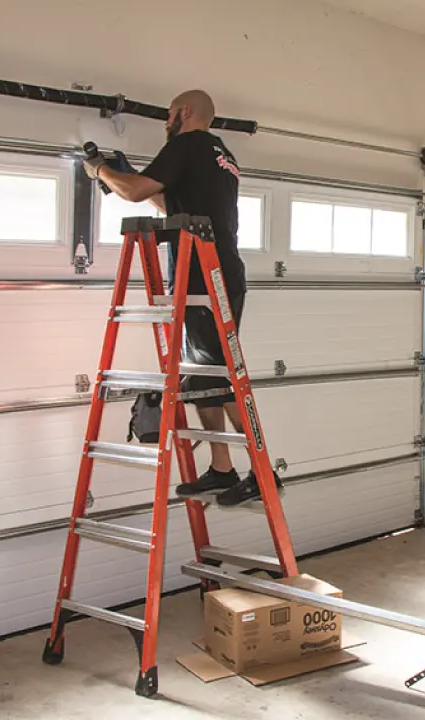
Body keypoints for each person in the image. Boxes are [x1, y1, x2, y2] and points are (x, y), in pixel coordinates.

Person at [83, 89, 275, 507]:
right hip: (209, 272)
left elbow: (134, 194)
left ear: (184, 113)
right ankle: (222, 468)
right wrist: (129, 174)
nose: (165, 122)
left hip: (206, 274)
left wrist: (100, 171)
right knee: (205, 377)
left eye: (169, 114)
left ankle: (263, 473)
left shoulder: (187, 143)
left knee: (218, 375)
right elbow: (165, 200)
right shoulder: (218, 153)